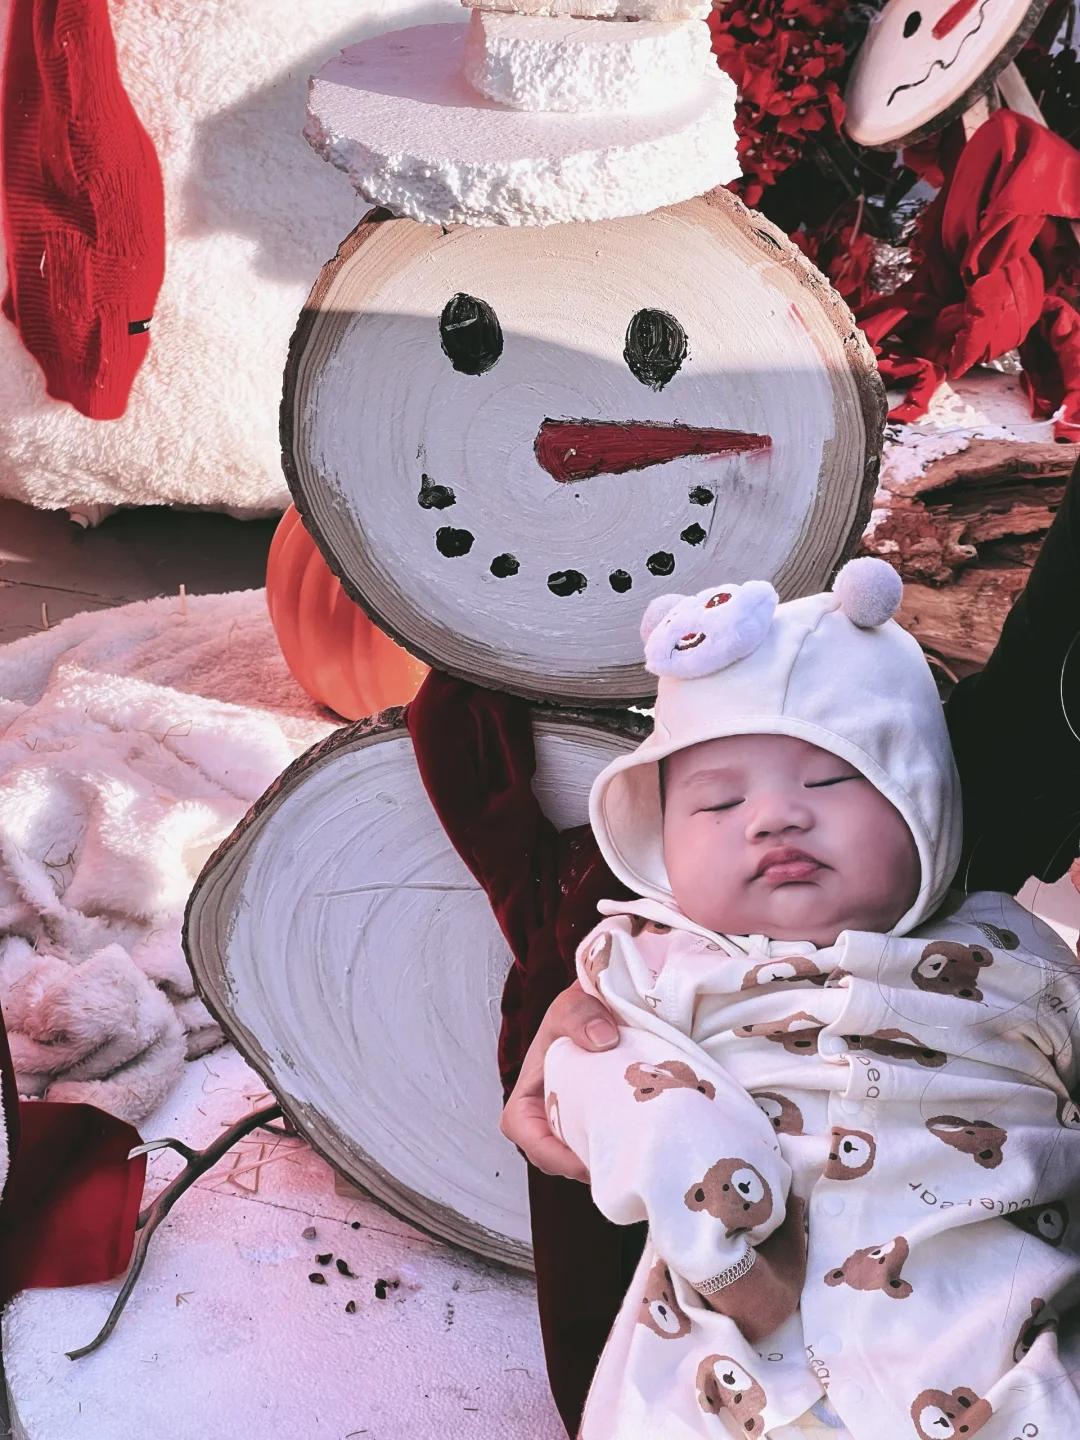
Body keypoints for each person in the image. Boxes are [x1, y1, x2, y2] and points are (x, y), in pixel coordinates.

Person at [406, 453, 1080, 1436]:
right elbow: (604, 1086)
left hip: (986, 1340)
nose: (774, 818)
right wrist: (696, 1202)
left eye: (833, 780)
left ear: (928, 809)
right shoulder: (651, 964)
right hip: (733, 1364)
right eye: (719, 802)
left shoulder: (1017, 956)